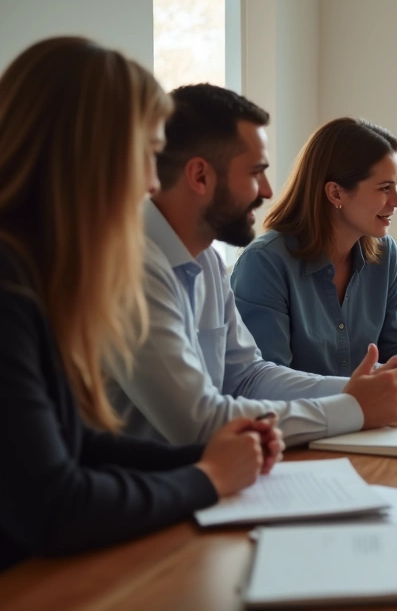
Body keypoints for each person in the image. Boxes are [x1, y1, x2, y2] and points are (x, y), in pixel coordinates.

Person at [0, 37, 281, 571]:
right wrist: (208, 477)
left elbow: (77, 445)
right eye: (149, 155)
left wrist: (207, 455)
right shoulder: (9, 286)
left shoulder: (36, 272)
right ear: (91, 158)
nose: (154, 182)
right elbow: (54, 505)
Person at [107, 85, 397, 447]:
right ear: (200, 176)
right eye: (255, 172)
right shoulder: (129, 268)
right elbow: (197, 422)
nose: (268, 191)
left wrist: (361, 390)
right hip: (152, 478)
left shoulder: (206, 259)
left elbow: (248, 377)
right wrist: (354, 408)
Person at [231, 118, 397, 399]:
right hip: (298, 423)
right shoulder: (264, 262)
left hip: (373, 417)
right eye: (384, 188)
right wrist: (360, 390)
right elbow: (266, 382)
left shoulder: (385, 254)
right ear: (335, 193)